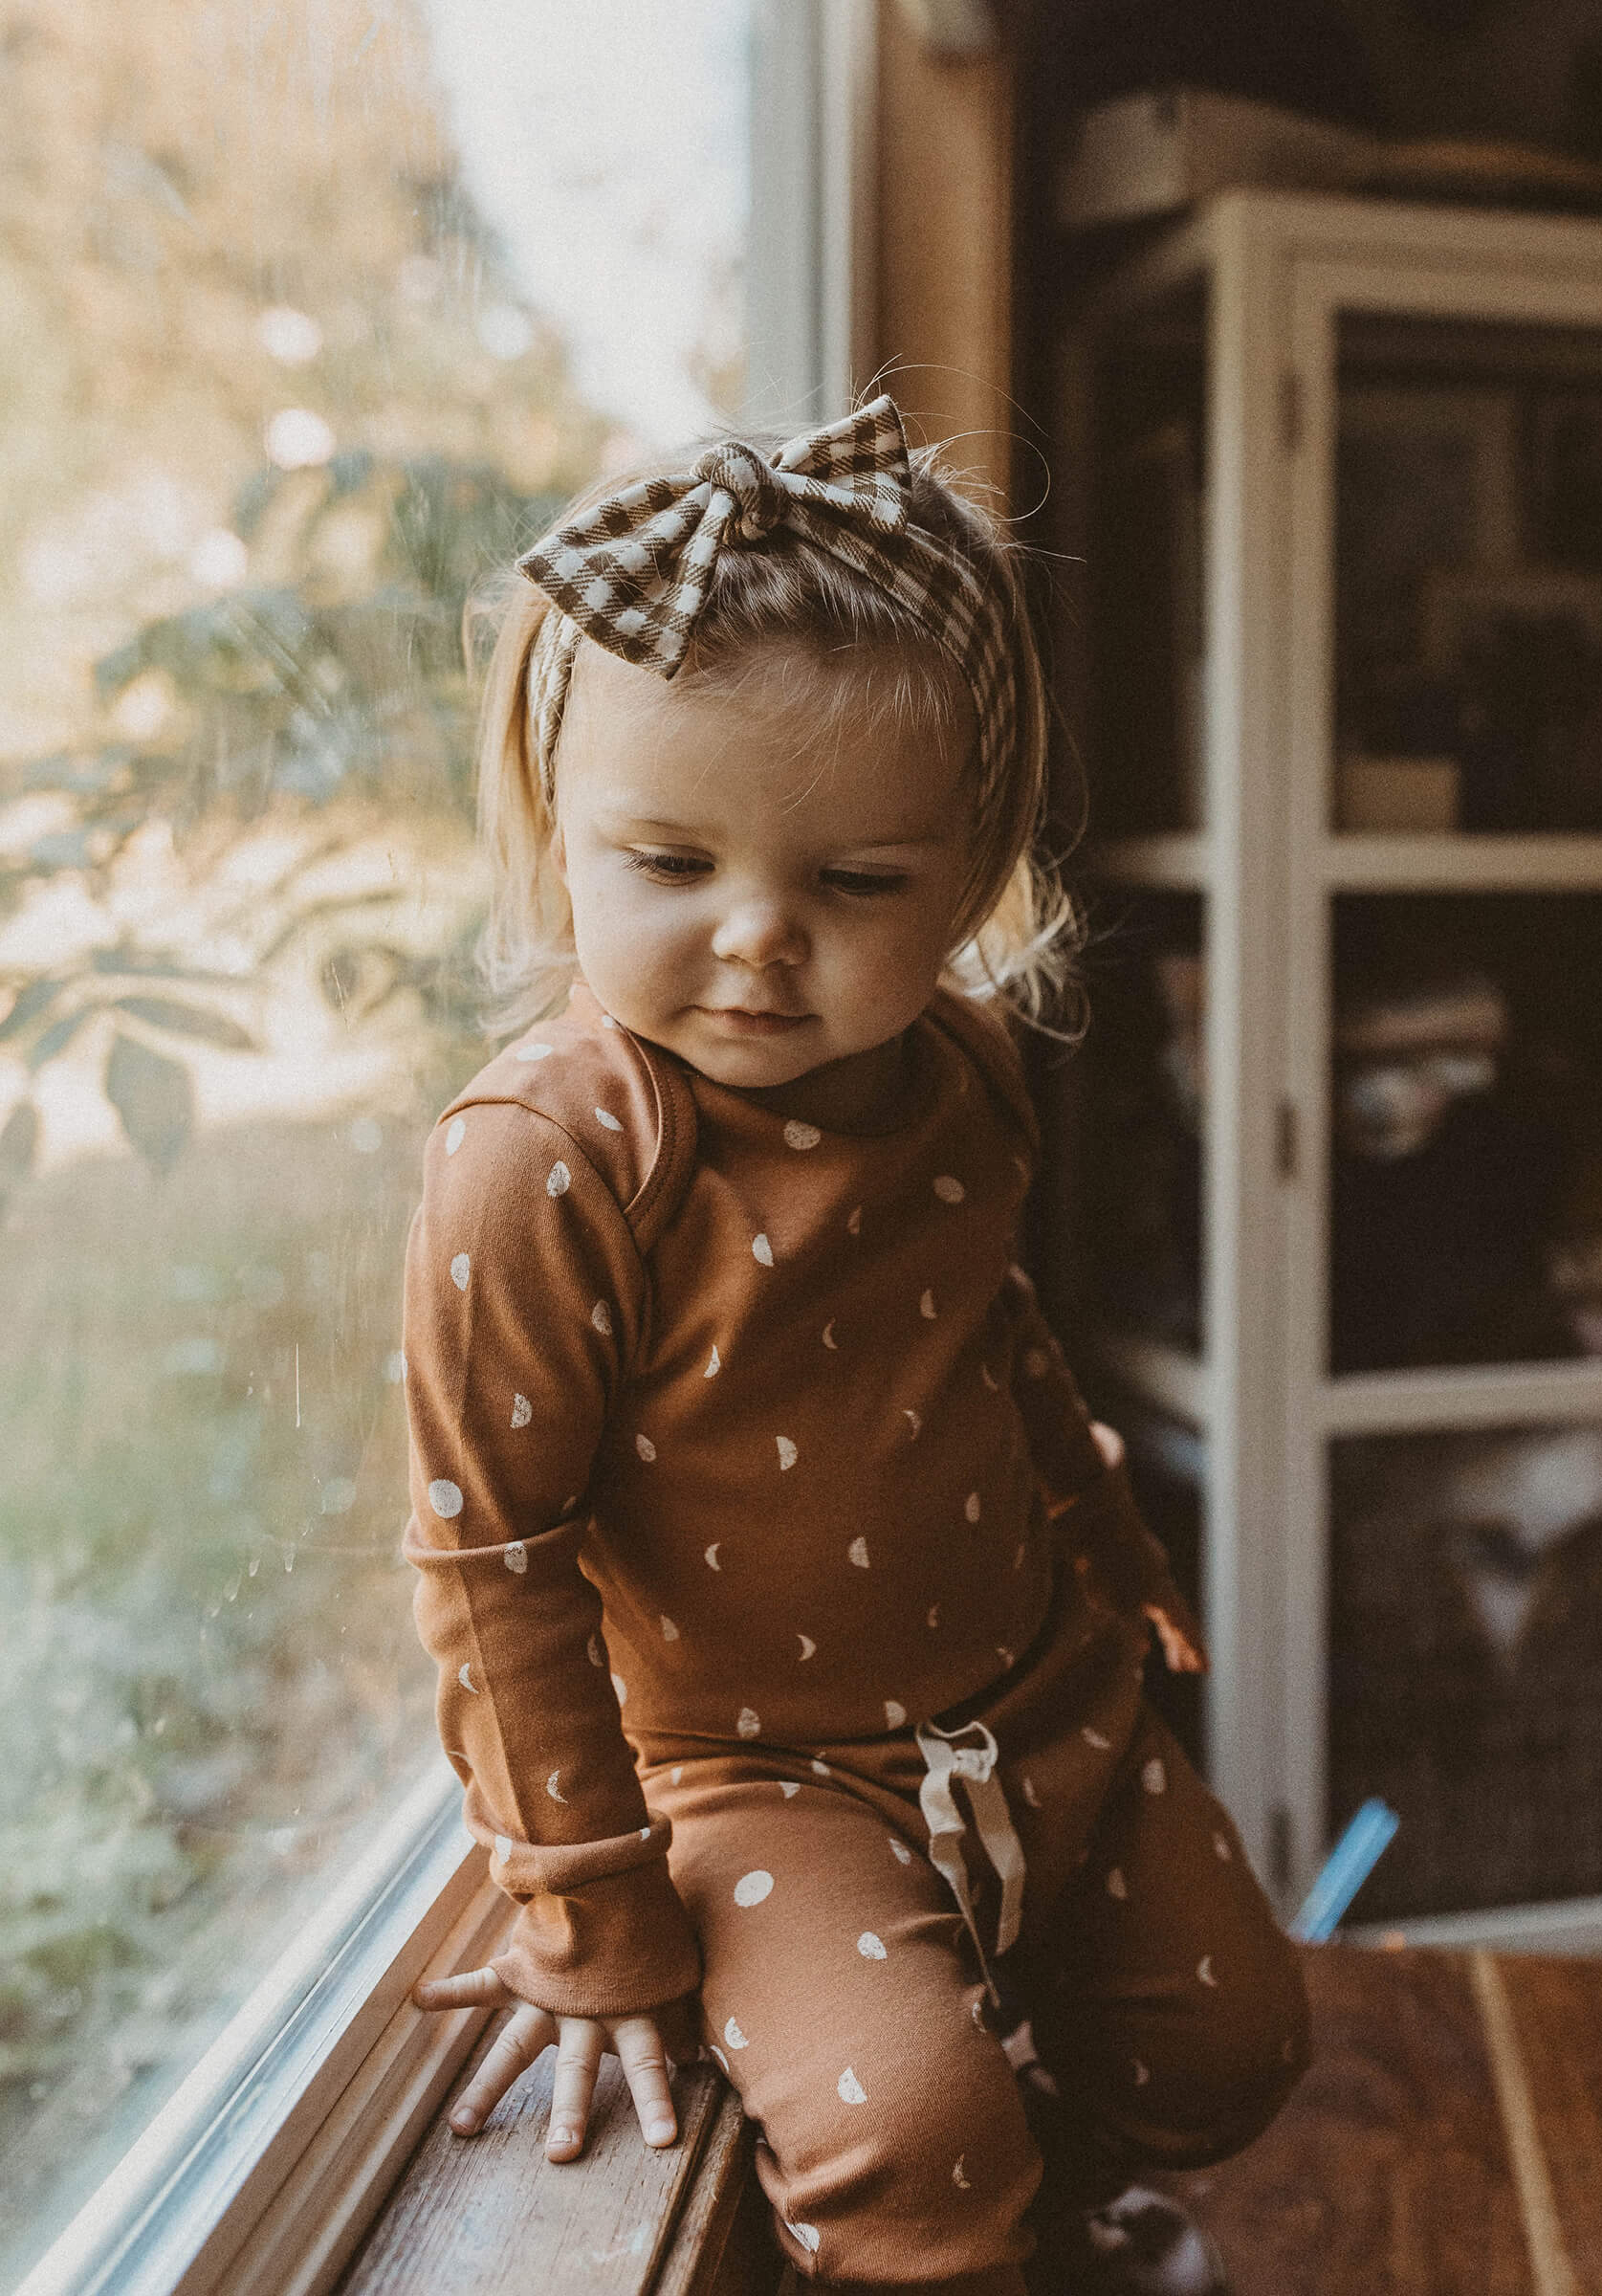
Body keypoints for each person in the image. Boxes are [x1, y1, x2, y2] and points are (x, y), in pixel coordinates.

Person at [402, 397, 1308, 2296]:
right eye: (668, 863)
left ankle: (1052, 2186)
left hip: (1041, 1693)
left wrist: (1115, 1552)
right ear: (557, 829)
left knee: (1236, 2047)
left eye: (859, 885)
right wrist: (586, 1904)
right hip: (754, 1780)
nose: (756, 940)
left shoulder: (965, 1067)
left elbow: (995, 1341)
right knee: (908, 2142)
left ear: (974, 869)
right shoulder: (550, 1162)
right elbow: (494, 1560)